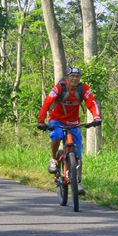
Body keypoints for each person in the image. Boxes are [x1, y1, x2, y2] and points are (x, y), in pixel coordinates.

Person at [37, 66, 102, 195]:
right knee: (56, 135)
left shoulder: (83, 88)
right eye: (72, 76)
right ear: (67, 77)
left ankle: (78, 182)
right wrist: (41, 120)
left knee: (78, 153)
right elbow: (47, 102)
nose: (75, 79)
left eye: (77, 76)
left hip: (74, 123)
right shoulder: (59, 87)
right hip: (57, 119)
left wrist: (97, 117)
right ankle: (53, 159)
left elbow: (91, 102)